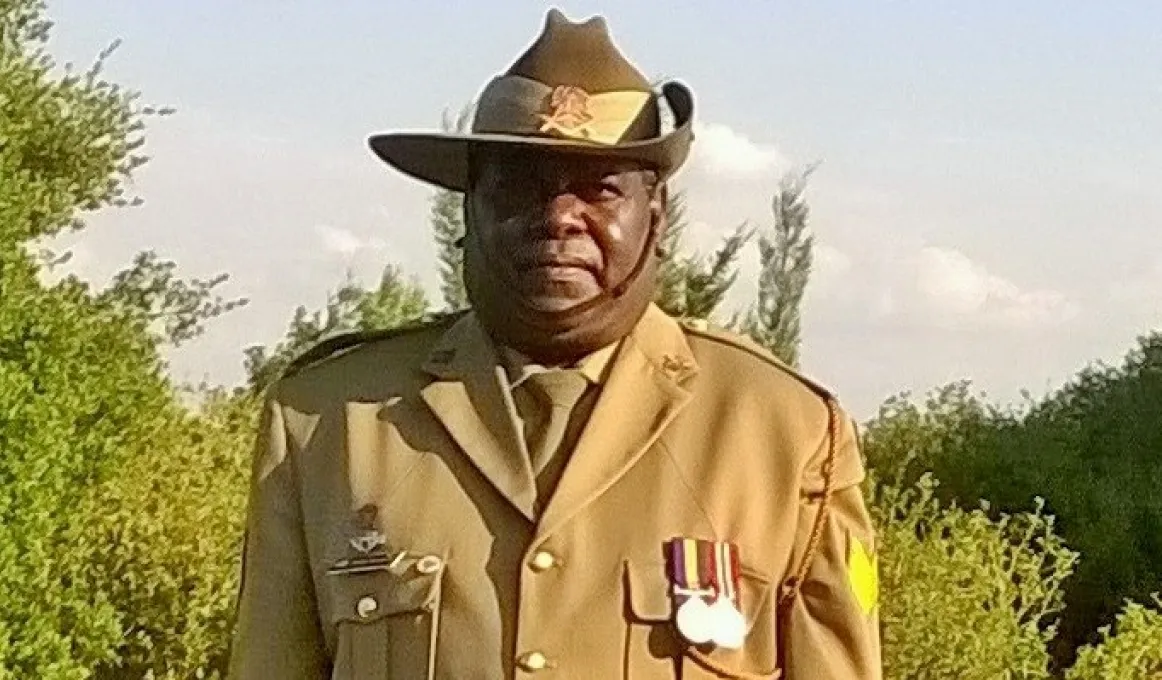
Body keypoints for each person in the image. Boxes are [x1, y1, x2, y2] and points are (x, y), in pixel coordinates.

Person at [227, 8, 882, 680]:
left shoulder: (784, 434)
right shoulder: (329, 421)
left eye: (599, 189)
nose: (560, 217)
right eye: (519, 186)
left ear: (654, 217)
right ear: (469, 210)